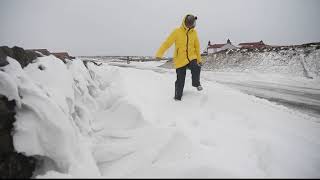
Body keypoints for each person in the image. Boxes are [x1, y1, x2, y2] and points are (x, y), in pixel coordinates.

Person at [156, 14, 203, 101]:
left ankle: (196, 83)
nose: (191, 25)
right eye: (189, 23)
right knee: (180, 80)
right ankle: (177, 97)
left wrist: (199, 59)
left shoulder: (194, 33)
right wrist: (159, 54)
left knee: (196, 67)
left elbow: (197, 47)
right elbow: (167, 43)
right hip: (180, 59)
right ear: (185, 22)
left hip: (191, 57)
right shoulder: (177, 32)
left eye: (192, 23)